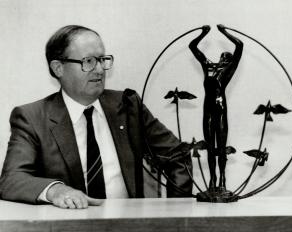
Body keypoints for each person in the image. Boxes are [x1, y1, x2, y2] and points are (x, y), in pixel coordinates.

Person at [0, 25, 193, 209]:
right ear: (58, 67)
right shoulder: (32, 117)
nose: (100, 69)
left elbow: (177, 155)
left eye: (102, 60)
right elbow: (12, 179)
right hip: (68, 226)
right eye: (89, 61)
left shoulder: (127, 105)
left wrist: (176, 213)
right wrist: (56, 190)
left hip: (128, 225)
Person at [189, 24, 243, 195]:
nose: (225, 60)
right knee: (211, 148)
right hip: (208, 111)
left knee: (221, 147)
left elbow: (240, 45)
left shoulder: (228, 71)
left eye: (228, 59)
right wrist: (203, 33)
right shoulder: (208, 66)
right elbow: (192, 47)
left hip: (220, 110)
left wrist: (224, 31)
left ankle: (222, 179)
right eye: (223, 57)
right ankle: (212, 180)